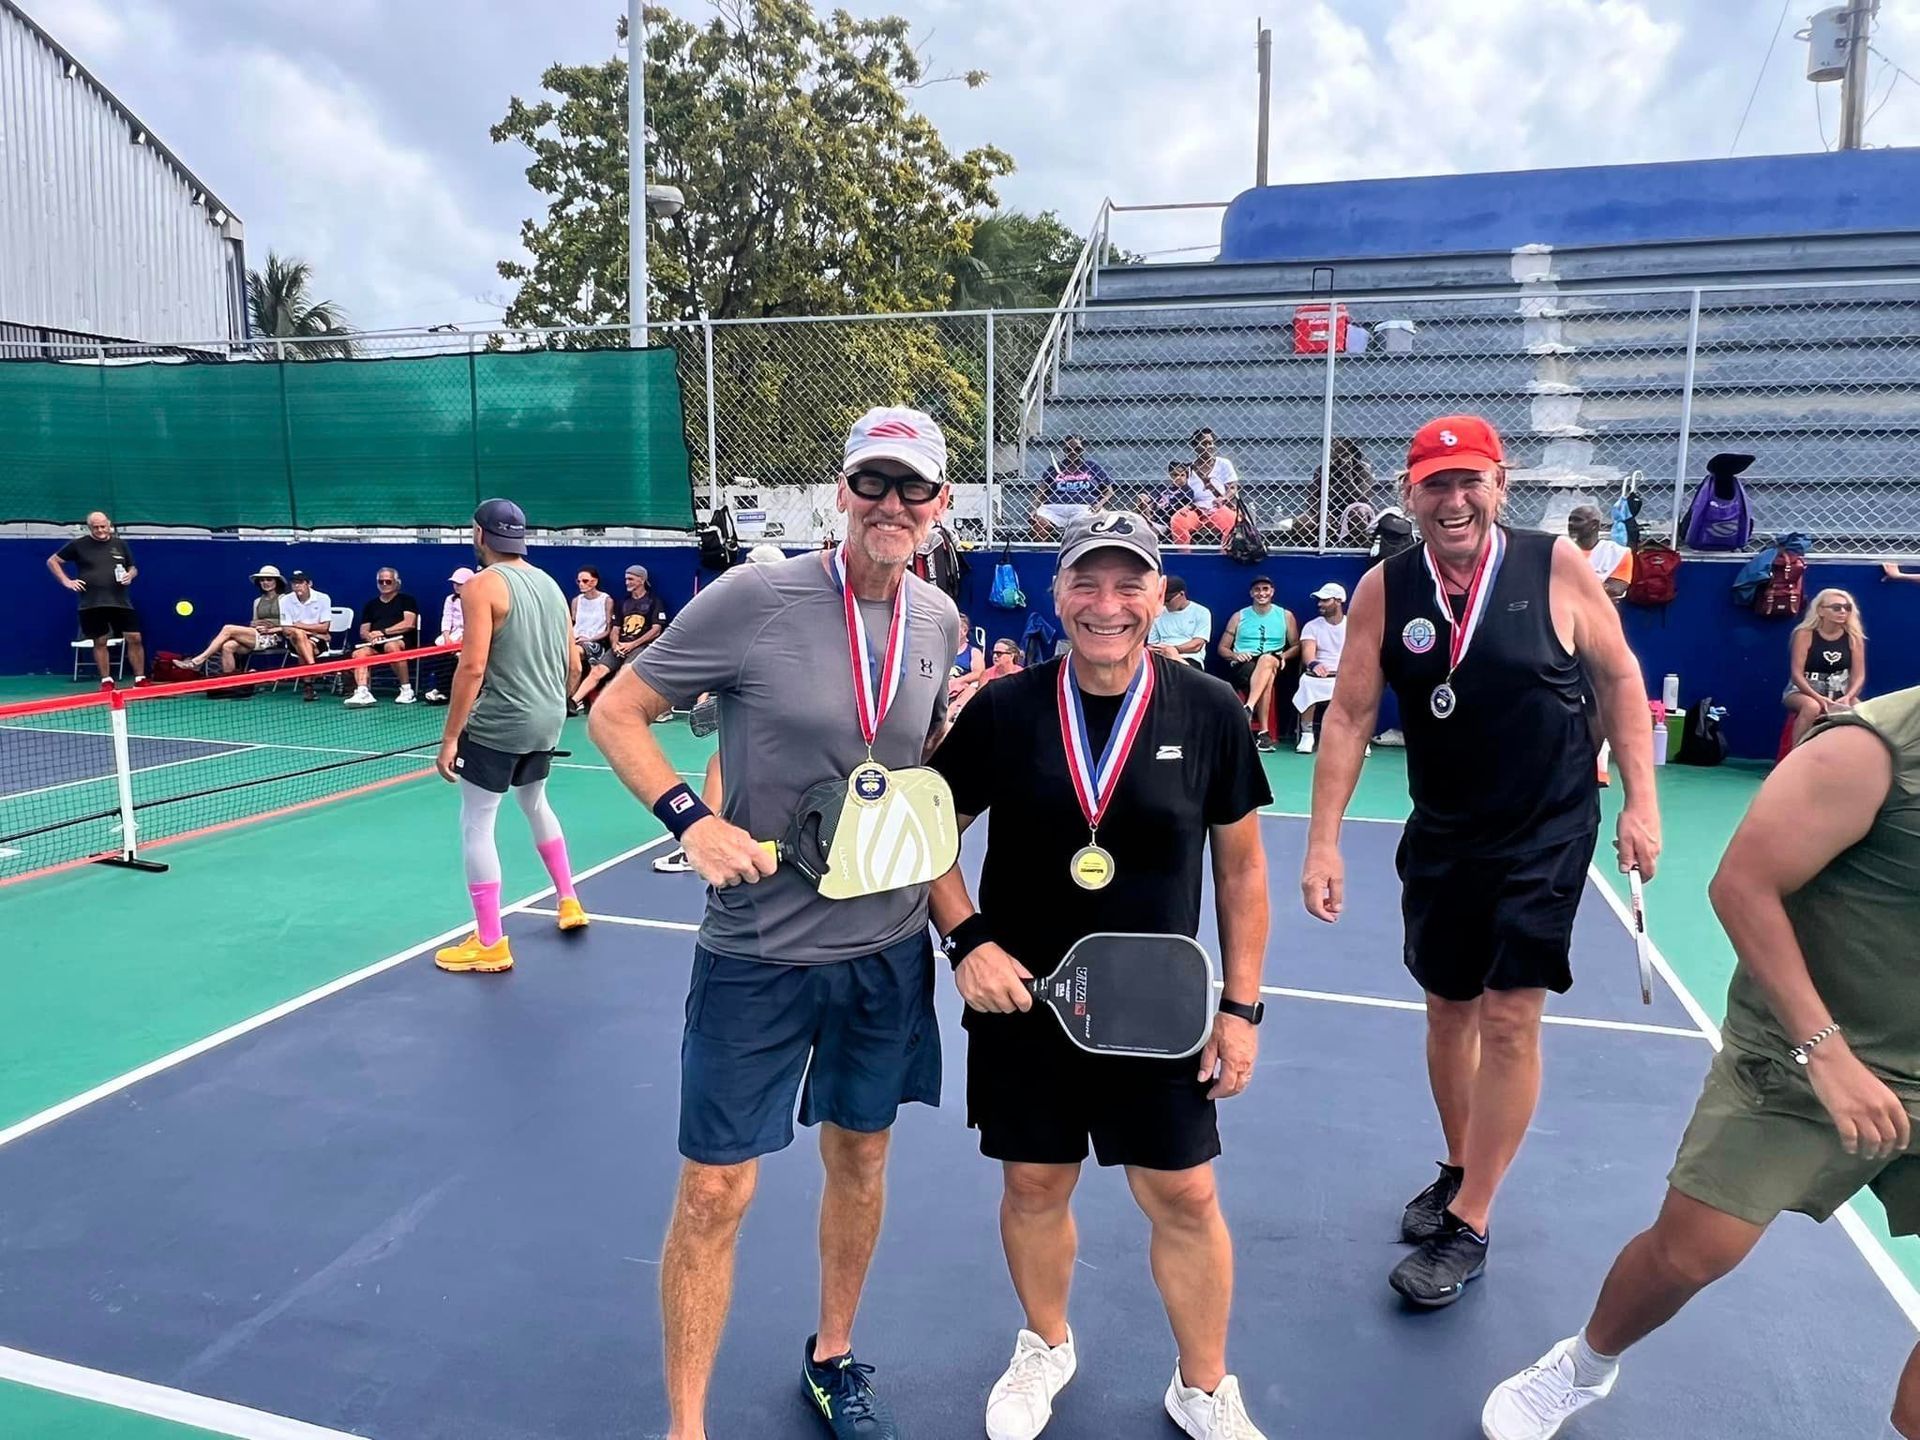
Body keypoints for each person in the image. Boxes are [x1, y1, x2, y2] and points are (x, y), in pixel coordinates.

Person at [588, 405, 961, 1440]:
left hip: (886, 951)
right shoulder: (755, 596)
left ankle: (832, 1356)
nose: (892, 504)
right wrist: (692, 819)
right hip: (759, 949)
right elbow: (615, 713)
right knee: (714, 1192)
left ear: (939, 503)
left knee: (864, 1160)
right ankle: (687, 1425)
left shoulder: (938, 620)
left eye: (913, 488)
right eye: (873, 484)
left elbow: (913, 761)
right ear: (842, 491)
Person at [1482, 686, 1920, 1440]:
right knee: (1691, 1254)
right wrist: (1826, 1051)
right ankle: (1585, 1363)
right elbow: (1742, 885)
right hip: (1804, 1058)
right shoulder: (1876, 749)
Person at [1300, 414, 1661, 1309]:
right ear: (1409, 494)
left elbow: (1619, 677)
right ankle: (1462, 1166)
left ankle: (1474, 1218)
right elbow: (1347, 717)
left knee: (1507, 1018)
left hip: (1547, 829)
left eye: (1470, 481)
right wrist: (1322, 839)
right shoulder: (1387, 588)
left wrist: (1641, 802)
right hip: (1445, 829)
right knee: (1447, 1010)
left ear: (1500, 485)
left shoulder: (1555, 567)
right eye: (1435, 484)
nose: (1454, 500)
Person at [927, 509, 1273, 1440]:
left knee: (1186, 1195)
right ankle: (1045, 1344)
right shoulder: (1003, 707)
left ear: (1160, 597)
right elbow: (926, 834)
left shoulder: (1208, 708)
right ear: (1058, 594)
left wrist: (1240, 1007)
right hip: (1023, 1000)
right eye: (1088, 582)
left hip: (1156, 1011)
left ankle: (1203, 1386)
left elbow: (1241, 871)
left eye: (1130, 585)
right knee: (1035, 1186)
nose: (1107, 604)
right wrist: (966, 940)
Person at [431, 499, 587, 973]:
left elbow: (473, 665)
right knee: (535, 803)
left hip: (499, 724)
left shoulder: (480, 587)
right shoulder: (552, 586)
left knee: (477, 821)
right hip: (547, 719)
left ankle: (491, 942)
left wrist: (450, 737)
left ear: (480, 535)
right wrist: (550, 706)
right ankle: (568, 901)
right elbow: (574, 663)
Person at [47, 511, 146, 683]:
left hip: (120, 602)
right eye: (95, 527)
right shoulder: (78, 545)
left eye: (103, 526)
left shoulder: (120, 544)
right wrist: (66, 581)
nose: (100, 530)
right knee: (100, 641)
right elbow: (52, 561)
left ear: (109, 525)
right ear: (89, 527)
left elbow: (133, 568)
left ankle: (140, 679)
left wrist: (130, 575)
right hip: (91, 603)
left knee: (135, 638)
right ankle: (106, 681)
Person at [573, 564, 670, 714]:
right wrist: (615, 644)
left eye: (630, 579)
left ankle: (605, 703)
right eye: (626, 579)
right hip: (619, 646)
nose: (627, 582)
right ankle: (573, 703)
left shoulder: (654, 601)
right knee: (597, 671)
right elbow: (615, 629)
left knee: (624, 673)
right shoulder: (623, 602)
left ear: (642, 580)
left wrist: (632, 645)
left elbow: (656, 630)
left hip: (641, 646)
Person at [1216, 577, 1295, 753]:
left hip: (1274, 660)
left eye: (1265, 589)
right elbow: (1222, 648)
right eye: (1257, 590)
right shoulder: (1239, 616)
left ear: (1272, 592)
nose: (1262, 593)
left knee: (1267, 660)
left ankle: (1249, 708)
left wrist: (1283, 656)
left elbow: (1297, 646)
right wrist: (1235, 654)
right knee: (1266, 677)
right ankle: (1263, 734)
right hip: (1244, 664)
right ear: (1251, 593)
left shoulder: (1285, 615)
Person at [1785, 588, 1866, 747]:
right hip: (1802, 690)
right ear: (1821, 610)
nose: (1843, 611)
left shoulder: (1854, 638)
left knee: (1860, 711)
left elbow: (1859, 676)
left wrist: (1848, 696)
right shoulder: (1804, 634)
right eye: (1836, 607)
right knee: (1811, 707)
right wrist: (1818, 697)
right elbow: (1796, 674)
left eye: (1847, 607)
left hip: (1840, 692)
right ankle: (1795, 756)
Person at [178, 566, 292, 679]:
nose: (265, 582)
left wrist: (272, 629)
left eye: (269, 579)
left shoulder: (285, 599)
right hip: (256, 636)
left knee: (228, 628)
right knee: (228, 646)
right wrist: (254, 623)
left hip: (276, 638)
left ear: (277, 582)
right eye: (262, 580)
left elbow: (292, 624)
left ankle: (199, 660)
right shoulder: (257, 601)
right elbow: (254, 621)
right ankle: (231, 683)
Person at [345, 568, 419, 707]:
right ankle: (362, 692)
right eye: (381, 581)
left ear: (397, 583)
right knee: (360, 653)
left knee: (391, 646)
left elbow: (409, 624)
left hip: (401, 640)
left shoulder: (407, 600)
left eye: (388, 581)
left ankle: (406, 690)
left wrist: (383, 632)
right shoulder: (371, 605)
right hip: (376, 643)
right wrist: (371, 637)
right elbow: (364, 631)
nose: (384, 584)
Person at [1291, 582, 1350, 754]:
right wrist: (1314, 664)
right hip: (1319, 677)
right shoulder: (1312, 626)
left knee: (1362, 688)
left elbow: (1359, 652)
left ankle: (1357, 739)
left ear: (1338, 601)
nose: (1320, 604)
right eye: (1319, 600)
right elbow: (1308, 654)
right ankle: (1307, 735)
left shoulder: (1354, 624)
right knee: (1307, 683)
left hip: (1347, 674)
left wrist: (1348, 670)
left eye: (1325, 600)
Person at [1031, 435, 1114, 540]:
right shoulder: (1054, 468)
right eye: (1069, 449)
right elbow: (1041, 490)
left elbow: (1109, 490)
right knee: (1039, 525)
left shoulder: (1092, 467)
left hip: (1083, 507)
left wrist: (1099, 504)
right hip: (1054, 508)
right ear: (1064, 450)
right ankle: (1041, 554)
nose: (1073, 452)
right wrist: (1034, 509)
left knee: (1084, 527)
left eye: (1077, 449)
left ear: (1083, 449)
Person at [1172, 429, 1239, 547]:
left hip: (1217, 507)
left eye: (1211, 443)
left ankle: (1224, 555)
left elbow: (1232, 488)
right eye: (1204, 443)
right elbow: (1183, 492)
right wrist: (1187, 506)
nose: (1208, 446)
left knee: (1232, 523)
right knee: (1177, 521)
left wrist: (1223, 498)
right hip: (1196, 510)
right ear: (1195, 446)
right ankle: (1184, 557)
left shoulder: (1224, 464)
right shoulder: (1188, 469)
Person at [276, 571, 334, 697]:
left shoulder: (323, 598)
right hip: (295, 638)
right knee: (299, 634)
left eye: (300, 583)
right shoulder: (285, 600)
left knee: (303, 643)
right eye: (294, 583)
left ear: (309, 584)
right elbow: (286, 629)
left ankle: (308, 686)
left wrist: (299, 625)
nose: (297, 586)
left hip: (316, 641)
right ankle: (313, 667)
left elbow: (324, 627)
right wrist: (309, 631)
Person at [421, 567, 474, 706]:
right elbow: (446, 619)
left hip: (471, 638)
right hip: (451, 637)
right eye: (455, 583)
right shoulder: (450, 600)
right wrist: (447, 638)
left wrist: (462, 641)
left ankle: (460, 694)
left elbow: (473, 622)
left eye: (460, 584)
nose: (456, 586)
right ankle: (442, 691)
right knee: (442, 657)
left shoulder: (477, 600)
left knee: (457, 660)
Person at [1566, 503, 1633, 600]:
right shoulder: (1560, 549)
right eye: (1570, 520)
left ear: (1594, 525)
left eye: (1577, 520)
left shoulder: (1617, 553)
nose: (1571, 524)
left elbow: (1616, 589)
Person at [1148, 575, 1212, 668]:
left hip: (1190, 658)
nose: (1164, 604)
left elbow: (1197, 645)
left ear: (1181, 594)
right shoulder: (1157, 613)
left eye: (1168, 600)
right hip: (1161, 659)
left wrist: (1172, 651)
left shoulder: (1201, 612)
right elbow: (1152, 644)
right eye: (1162, 600)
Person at [1136, 460, 1193, 538]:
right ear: (1170, 476)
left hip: (1165, 522)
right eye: (1175, 475)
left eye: (1182, 475)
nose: (1178, 478)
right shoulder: (1164, 488)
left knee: (1147, 532)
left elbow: (1185, 506)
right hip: (1153, 516)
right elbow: (1153, 501)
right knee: (1142, 496)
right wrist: (1148, 512)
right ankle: (1144, 520)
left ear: (1187, 476)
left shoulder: (1187, 491)